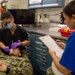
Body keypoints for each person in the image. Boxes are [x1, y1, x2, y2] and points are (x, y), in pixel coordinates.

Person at [47, 1, 75, 75]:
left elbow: (66, 71)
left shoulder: (73, 37)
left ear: (73, 17)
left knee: (50, 70)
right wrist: (65, 46)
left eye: (65, 18)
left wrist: (53, 55)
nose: (65, 21)